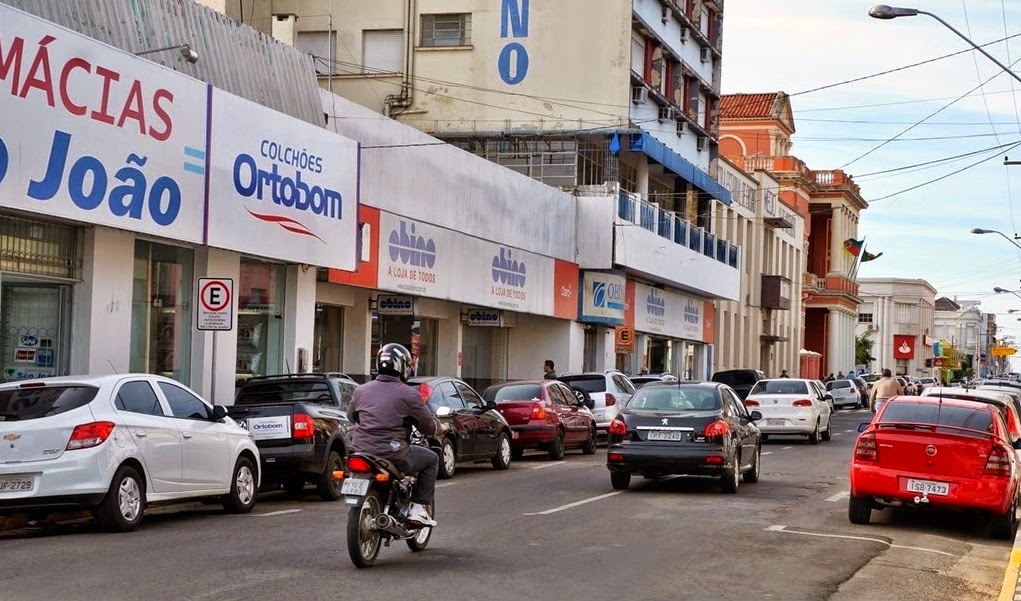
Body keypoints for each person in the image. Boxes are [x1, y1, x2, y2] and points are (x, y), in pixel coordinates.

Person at [348, 343, 440, 527]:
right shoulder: (409, 394)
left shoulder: (361, 390)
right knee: (432, 459)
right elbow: (428, 427)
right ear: (403, 366)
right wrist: (440, 427)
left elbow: (352, 417)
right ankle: (418, 508)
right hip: (393, 454)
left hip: (360, 451)